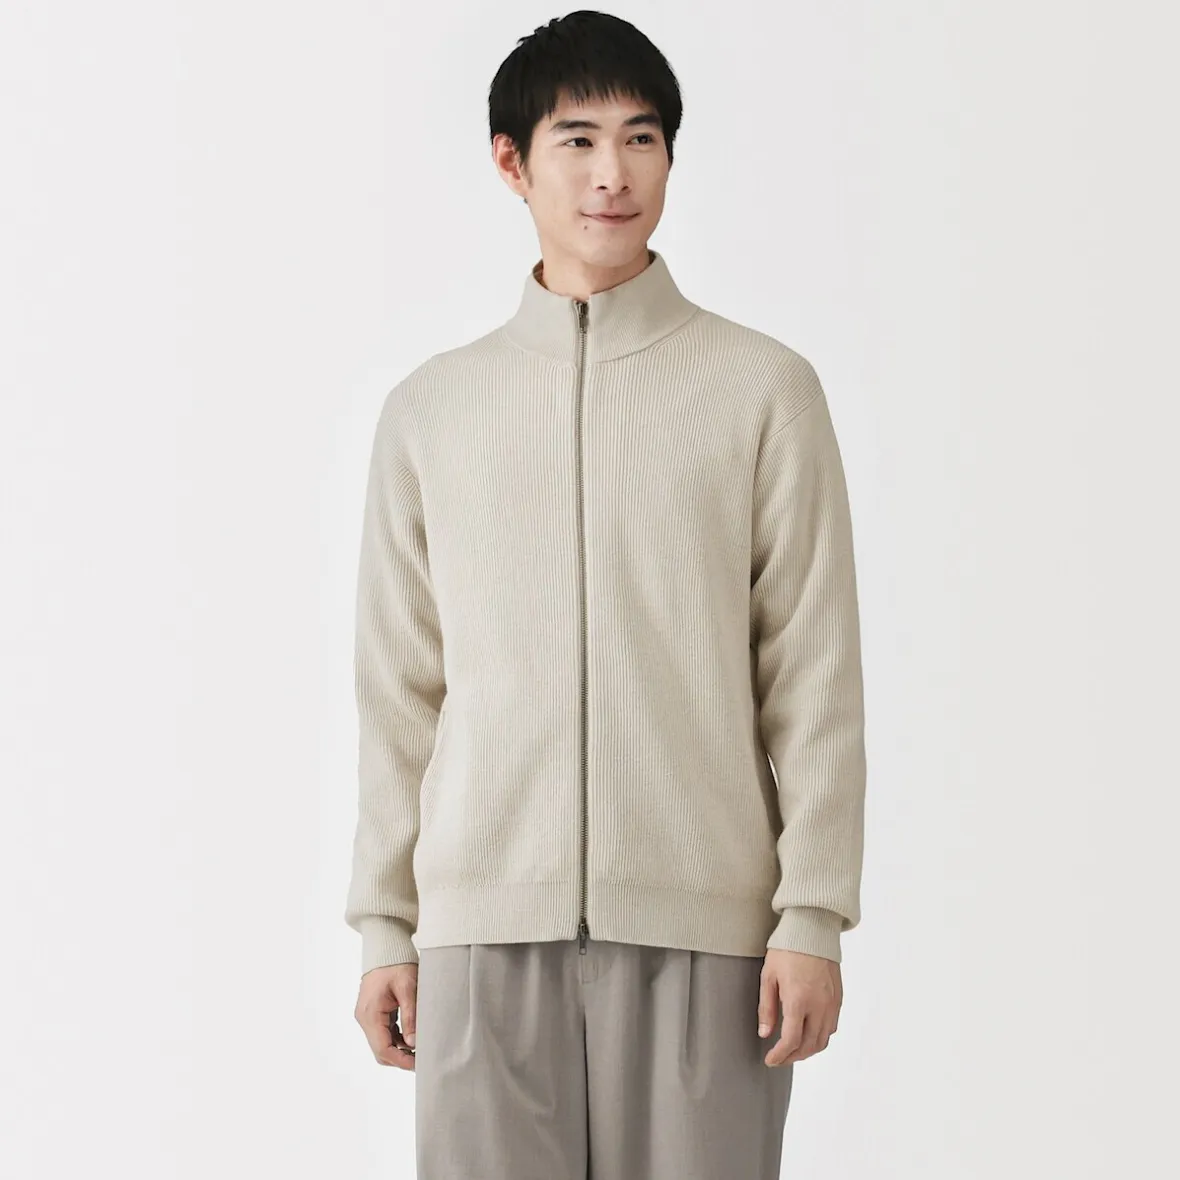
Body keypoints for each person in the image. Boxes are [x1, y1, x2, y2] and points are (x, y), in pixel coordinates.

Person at [344, 10, 867, 1179]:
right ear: (511, 162)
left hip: (710, 940)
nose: (612, 174)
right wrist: (385, 922)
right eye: (576, 140)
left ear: (671, 157)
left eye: (640, 139)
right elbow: (399, 692)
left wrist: (811, 914)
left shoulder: (761, 391)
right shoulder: (432, 411)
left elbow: (813, 677)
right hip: (480, 940)